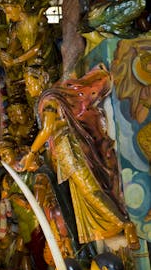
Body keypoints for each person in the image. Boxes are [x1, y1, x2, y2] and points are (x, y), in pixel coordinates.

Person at [21, 66, 139, 251]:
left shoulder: (50, 99)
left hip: (68, 148)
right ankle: (112, 226)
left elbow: (47, 129)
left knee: (89, 188)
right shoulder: (51, 98)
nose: (29, 87)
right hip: (63, 149)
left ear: (41, 80)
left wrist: (31, 154)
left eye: (31, 81)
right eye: (27, 84)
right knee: (82, 192)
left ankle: (124, 224)